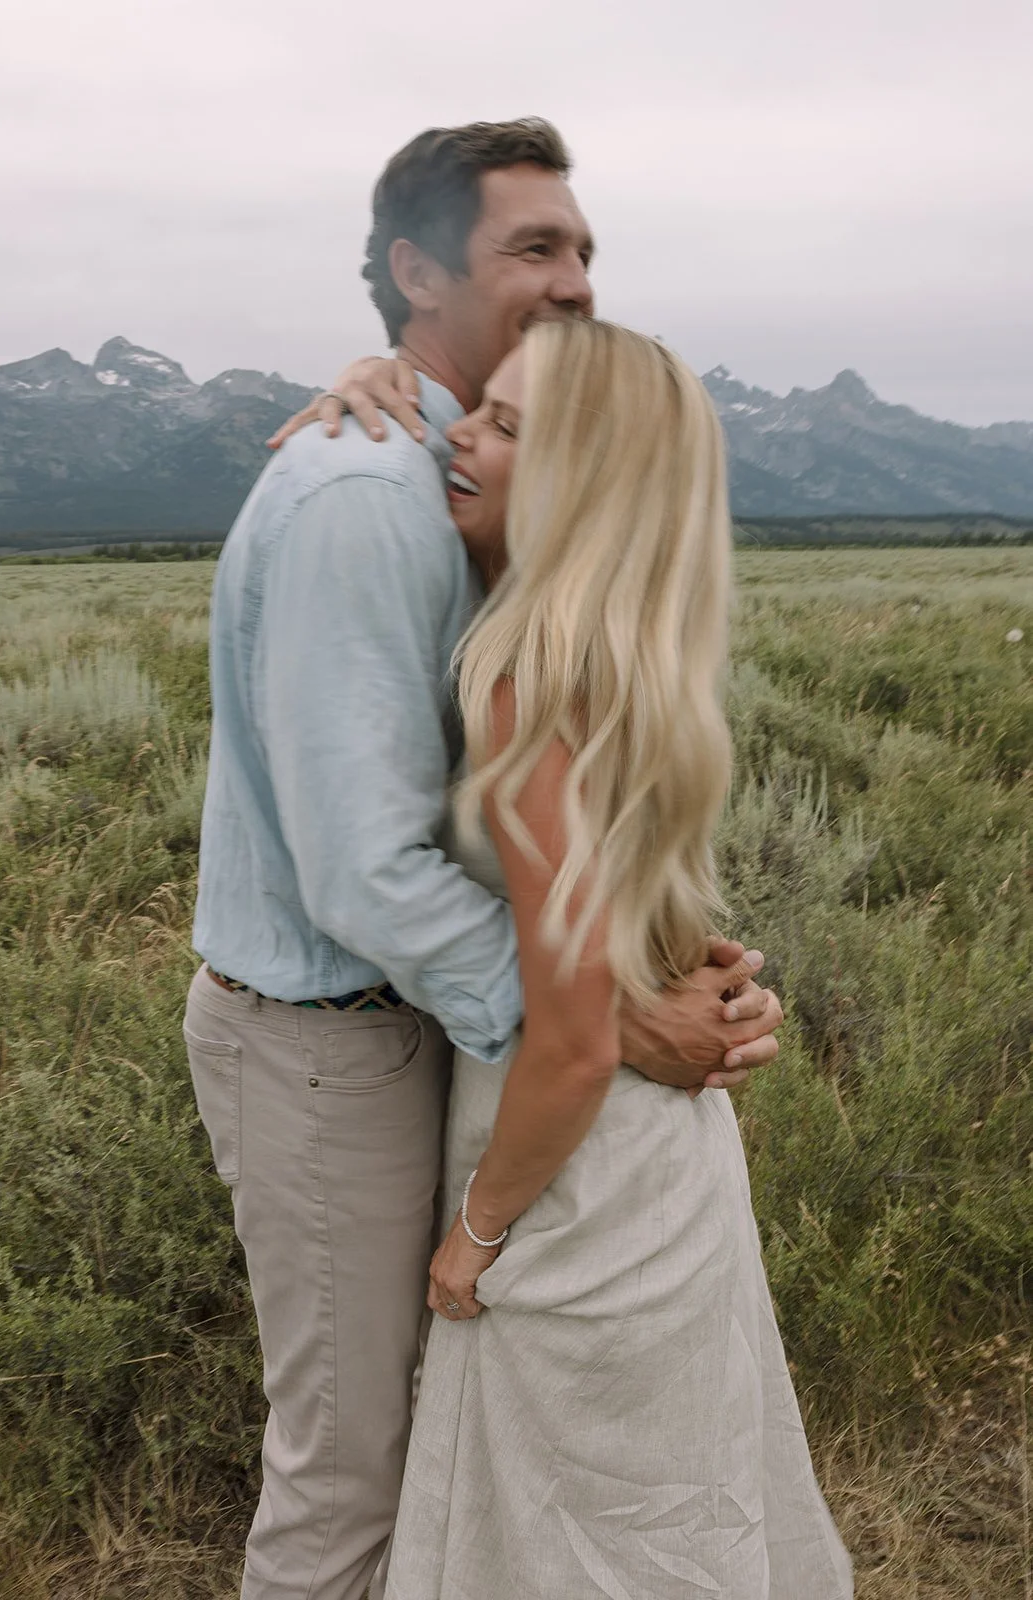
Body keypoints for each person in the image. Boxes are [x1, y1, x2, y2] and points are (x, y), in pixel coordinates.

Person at [185, 118, 784, 1600]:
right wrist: (602, 1015)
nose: (573, 279)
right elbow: (364, 873)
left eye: (582, 249)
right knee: (352, 1473)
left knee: (480, 1456)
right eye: (533, 248)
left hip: (450, 1045)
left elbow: (567, 818)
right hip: (330, 1046)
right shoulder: (364, 495)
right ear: (417, 274)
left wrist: (656, 970)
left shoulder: (488, 514)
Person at [374, 317, 853, 1598]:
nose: (462, 436)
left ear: (581, 481)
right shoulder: (630, 653)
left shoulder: (523, 677)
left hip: (575, 1186)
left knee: (570, 1538)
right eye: (476, 407)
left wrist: (474, 1231)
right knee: (666, 1517)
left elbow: (577, 1039)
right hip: (665, 1166)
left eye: (507, 426)